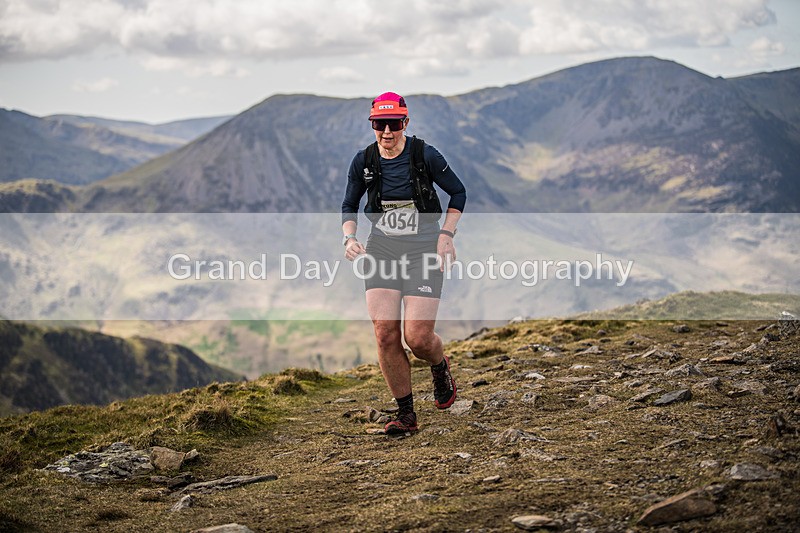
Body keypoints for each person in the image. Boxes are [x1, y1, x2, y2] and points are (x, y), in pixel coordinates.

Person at [341, 92, 467, 435]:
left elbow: (458, 193)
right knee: (384, 333)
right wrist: (349, 238)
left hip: (424, 248)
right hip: (381, 248)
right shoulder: (363, 160)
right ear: (372, 125)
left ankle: (439, 366)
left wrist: (446, 235)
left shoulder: (425, 154)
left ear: (405, 123)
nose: (386, 132)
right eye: (379, 124)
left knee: (418, 338)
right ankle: (406, 415)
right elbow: (348, 205)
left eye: (393, 124)